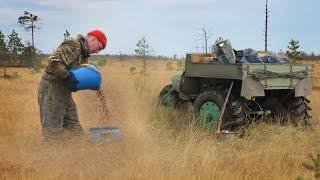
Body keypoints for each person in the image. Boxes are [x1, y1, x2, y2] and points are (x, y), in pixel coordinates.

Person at [38, 29, 107, 140]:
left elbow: (81, 75)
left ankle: (74, 155)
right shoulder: (74, 45)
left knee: (74, 131)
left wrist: (96, 87)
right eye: (99, 47)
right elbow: (53, 62)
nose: (97, 51)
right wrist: (67, 76)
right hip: (51, 90)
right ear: (93, 39)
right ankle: (49, 156)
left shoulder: (83, 55)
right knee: (51, 134)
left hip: (64, 93)